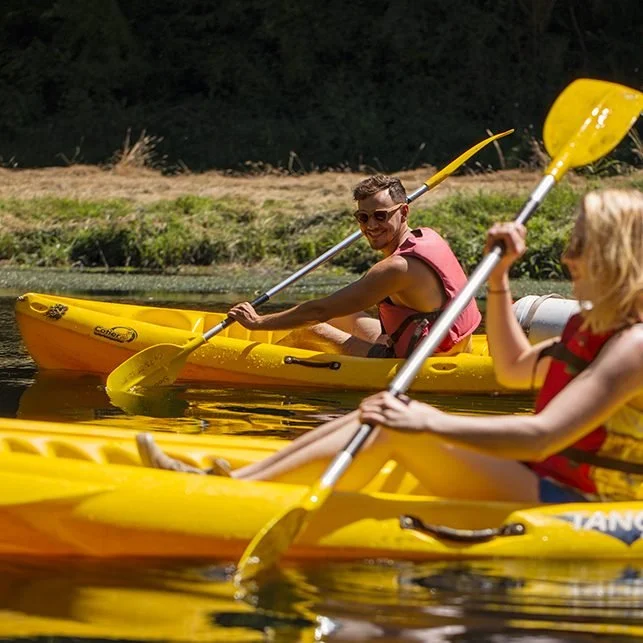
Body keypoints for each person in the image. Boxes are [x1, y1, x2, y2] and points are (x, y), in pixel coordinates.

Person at [137, 189, 643, 504]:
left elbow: (542, 434)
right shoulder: (591, 326)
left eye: (579, 245)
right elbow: (513, 371)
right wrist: (500, 277)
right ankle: (240, 483)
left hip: (580, 499)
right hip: (543, 476)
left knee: (396, 427)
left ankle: (235, 496)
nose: (567, 256)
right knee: (376, 413)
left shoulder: (634, 343)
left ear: (612, 256)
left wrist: (426, 421)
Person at [226, 174, 481, 358]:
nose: (371, 225)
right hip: (451, 344)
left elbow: (319, 310)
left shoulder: (396, 268)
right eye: (363, 217)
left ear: (403, 213)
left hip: (421, 359)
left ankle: (260, 368)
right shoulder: (427, 236)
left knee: (310, 329)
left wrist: (257, 323)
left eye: (381, 215)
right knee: (346, 316)